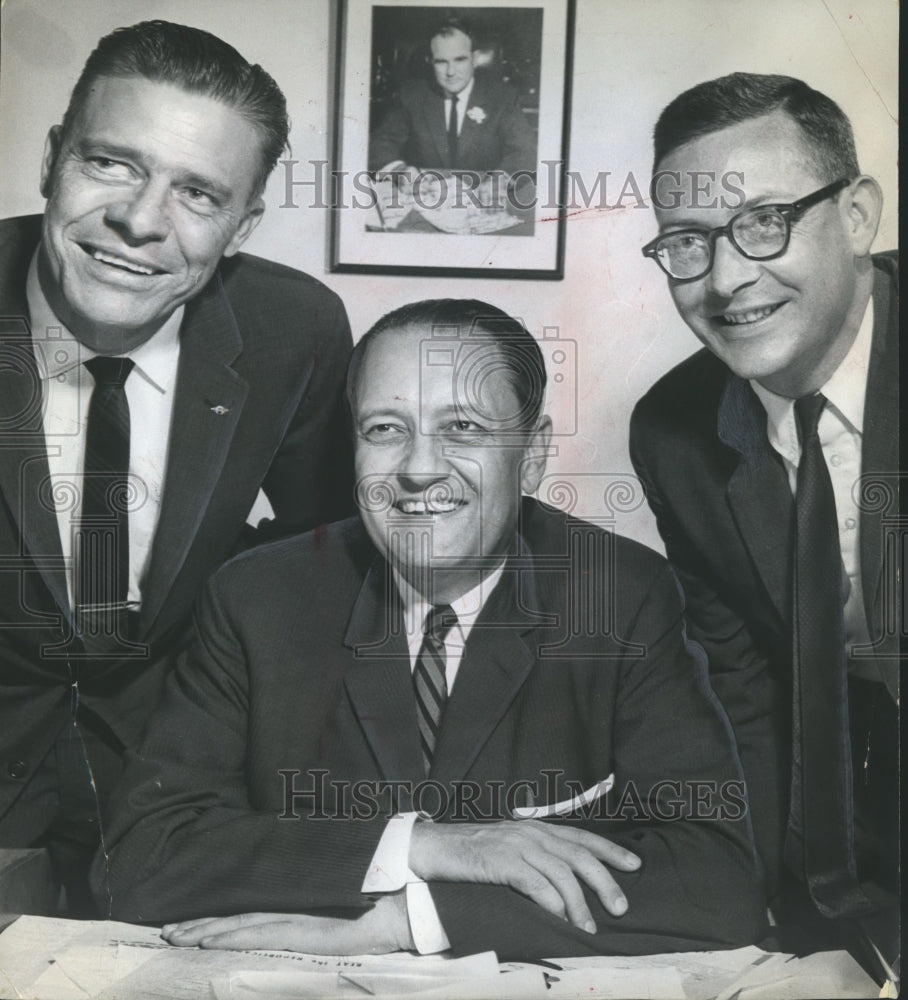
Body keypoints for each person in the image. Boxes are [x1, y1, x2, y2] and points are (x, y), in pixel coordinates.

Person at [97, 299, 764, 960]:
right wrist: (417, 846)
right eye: (385, 429)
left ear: (532, 454)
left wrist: (409, 921)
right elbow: (139, 859)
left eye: (463, 427)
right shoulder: (256, 599)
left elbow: (716, 882)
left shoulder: (621, 597)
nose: (419, 469)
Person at [0, 20, 353, 914]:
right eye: (111, 163)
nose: (140, 221)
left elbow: (326, 556)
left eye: (197, 193)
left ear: (242, 226)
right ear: (51, 158)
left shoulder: (294, 331)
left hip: (175, 783)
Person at [630, 73, 898, 967]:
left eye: (765, 222)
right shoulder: (672, 431)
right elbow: (744, 686)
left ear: (857, 215)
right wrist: (756, 902)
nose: (726, 279)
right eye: (688, 241)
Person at [368, 18, 537, 204]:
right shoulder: (412, 95)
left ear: (475, 59)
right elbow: (378, 145)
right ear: (430, 62)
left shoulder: (503, 97)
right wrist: (399, 171)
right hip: (425, 202)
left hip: (482, 202)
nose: (450, 72)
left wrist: (502, 180)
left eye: (460, 59)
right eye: (441, 62)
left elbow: (525, 151)